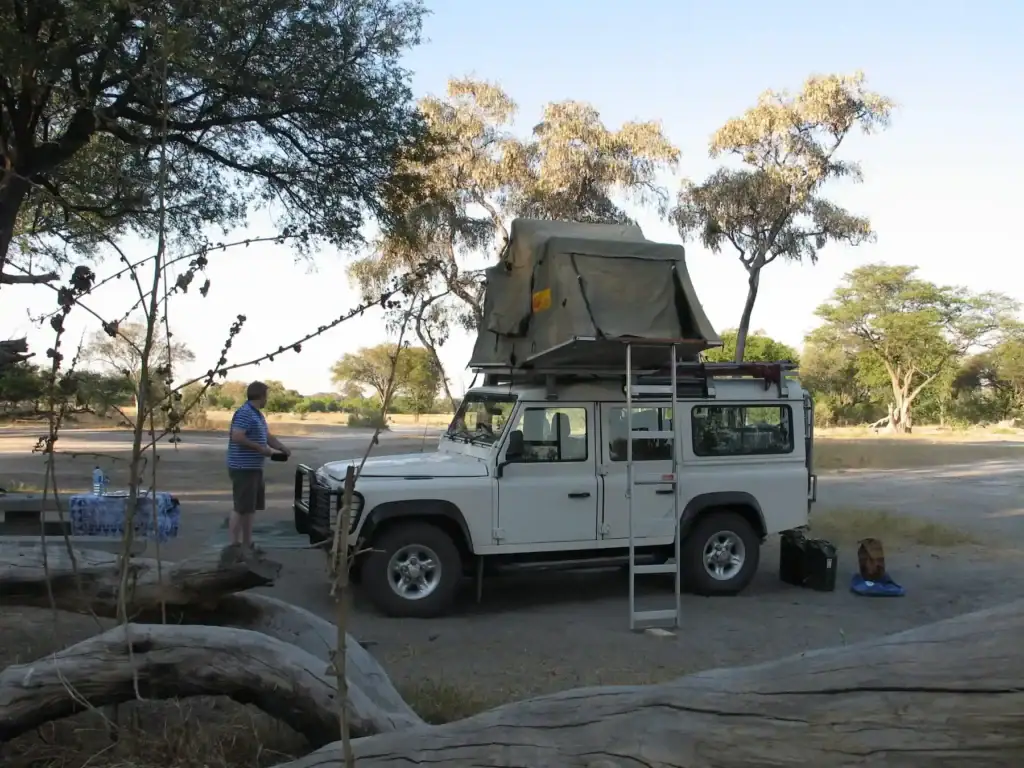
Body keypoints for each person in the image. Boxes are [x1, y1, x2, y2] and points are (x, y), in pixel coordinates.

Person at [223, 381, 290, 563]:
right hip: (243, 468)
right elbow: (237, 436)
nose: (267, 399)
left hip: (254, 468)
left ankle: (247, 544)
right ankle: (234, 547)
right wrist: (260, 449)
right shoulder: (245, 413)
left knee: (250, 507)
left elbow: (267, 436)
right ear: (261, 396)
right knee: (241, 507)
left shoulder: (257, 415)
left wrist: (281, 447)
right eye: (266, 395)